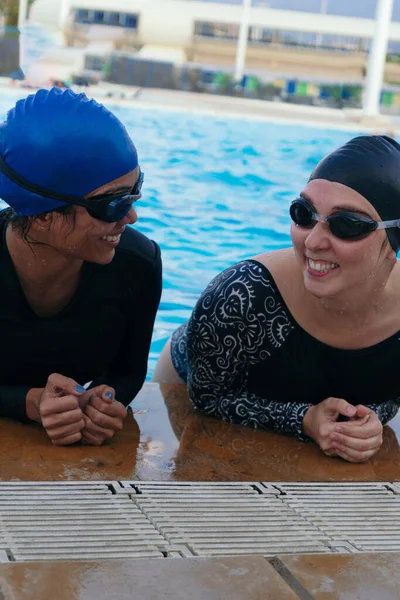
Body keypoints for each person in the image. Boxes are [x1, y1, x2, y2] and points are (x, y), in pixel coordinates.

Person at [153, 135, 400, 463]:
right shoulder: (241, 295)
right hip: (189, 388)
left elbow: (389, 391)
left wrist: (367, 418)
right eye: (304, 213)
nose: (312, 241)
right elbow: (209, 398)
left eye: (347, 225)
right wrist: (303, 419)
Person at [0, 87, 162, 446]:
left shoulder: (138, 265)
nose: (132, 217)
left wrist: (103, 401)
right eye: (113, 205)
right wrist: (27, 402)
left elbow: (128, 373)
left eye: (136, 191)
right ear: (41, 216)